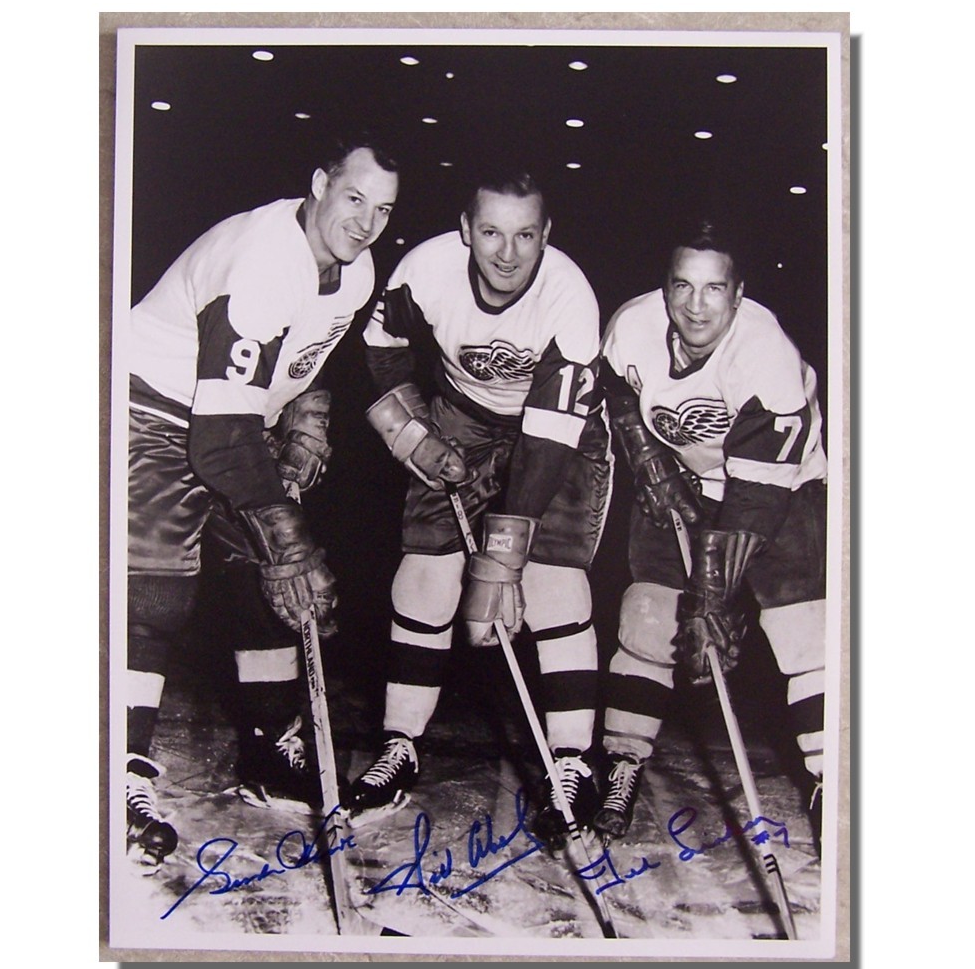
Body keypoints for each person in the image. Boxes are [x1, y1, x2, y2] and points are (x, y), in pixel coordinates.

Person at [124, 133, 400, 870]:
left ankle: (268, 749)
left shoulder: (356, 262)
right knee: (156, 593)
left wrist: (306, 414)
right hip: (155, 404)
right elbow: (216, 440)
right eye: (353, 199)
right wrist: (288, 536)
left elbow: (301, 355)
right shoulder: (261, 261)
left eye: (382, 209)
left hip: (235, 418)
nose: (365, 222)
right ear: (318, 183)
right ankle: (116, 768)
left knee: (274, 589)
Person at [348, 169, 611, 846]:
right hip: (461, 416)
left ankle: (574, 762)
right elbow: (380, 352)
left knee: (550, 583)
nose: (506, 252)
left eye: (525, 235)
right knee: (425, 577)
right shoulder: (424, 271)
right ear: (466, 230)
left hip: (557, 431)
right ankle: (401, 744)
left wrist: (503, 561)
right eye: (490, 232)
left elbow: (549, 436)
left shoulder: (570, 297)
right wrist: (410, 428)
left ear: (546, 236)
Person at [597, 221, 827, 854]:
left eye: (714, 289)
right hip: (681, 477)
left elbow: (753, 500)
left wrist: (711, 598)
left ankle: (831, 777)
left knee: (802, 630)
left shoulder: (765, 355)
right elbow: (617, 391)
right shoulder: (633, 326)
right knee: (646, 617)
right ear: (665, 289)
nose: (696, 306)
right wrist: (647, 458)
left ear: (739, 294)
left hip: (780, 485)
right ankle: (621, 762)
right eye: (682, 287)